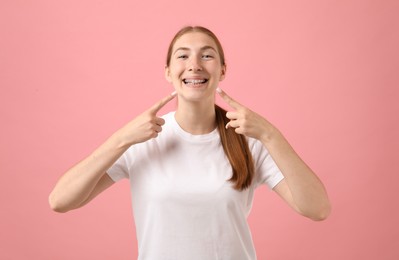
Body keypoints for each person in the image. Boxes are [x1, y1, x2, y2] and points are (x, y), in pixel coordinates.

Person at [49, 26, 331, 259]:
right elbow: (60, 201)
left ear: (222, 70)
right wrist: (121, 139)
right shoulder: (141, 140)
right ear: (168, 72)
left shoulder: (249, 141)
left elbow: (317, 208)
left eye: (207, 56)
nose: (194, 65)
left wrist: (270, 134)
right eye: (183, 56)